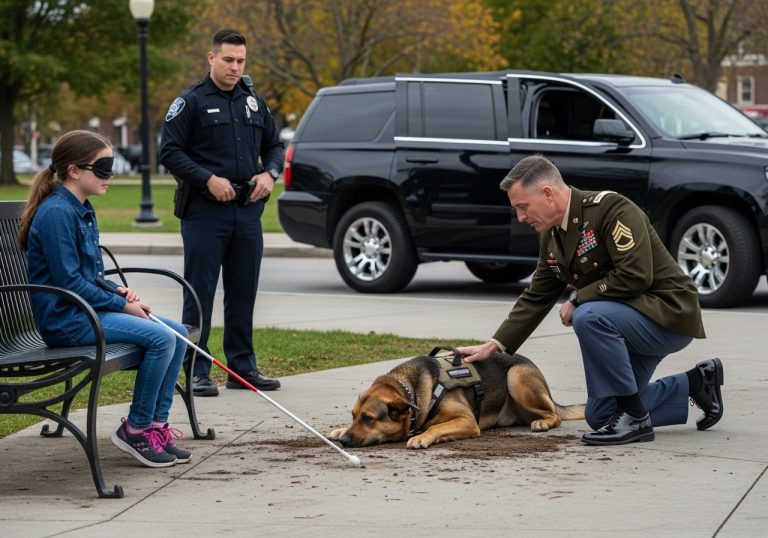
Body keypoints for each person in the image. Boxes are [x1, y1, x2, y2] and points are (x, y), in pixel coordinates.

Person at [458, 154, 724, 446]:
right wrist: (495, 346)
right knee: (601, 416)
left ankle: (635, 418)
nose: (520, 217)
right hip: (627, 326)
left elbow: (636, 274)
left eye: (523, 206)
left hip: (667, 315)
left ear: (547, 193)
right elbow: (537, 295)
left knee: (588, 315)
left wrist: (578, 298)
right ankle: (697, 382)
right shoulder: (551, 236)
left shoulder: (611, 209)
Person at [18, 130, 192, 467]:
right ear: (74, 170)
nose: (109, 176)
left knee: (178, 333)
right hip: (67, 321)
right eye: (102, 168)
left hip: (86, 312)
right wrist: (122, 306)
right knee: (161, 338)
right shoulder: (57, 214)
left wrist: (117, 291)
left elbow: (89, 275)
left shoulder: (82, 208)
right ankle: (136, 430)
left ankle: (155, 427)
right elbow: (69, 282)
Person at [159, 28, 284, 397]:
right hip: (205, 212)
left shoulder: (253, 101)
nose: (235, 67)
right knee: (199, 293)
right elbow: (169, 152)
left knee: (243, 291)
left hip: (247, 210)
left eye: (241, 61)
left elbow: (275, 145)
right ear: (211, 58)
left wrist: (270, 173)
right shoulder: (191, 102)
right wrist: (207, 179)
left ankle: (242, 368)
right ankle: (196, 370)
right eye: (228, 59)